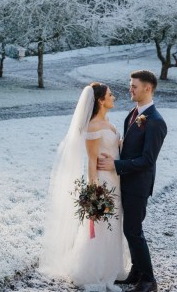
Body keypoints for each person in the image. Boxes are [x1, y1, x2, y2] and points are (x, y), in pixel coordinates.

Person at [39, 82, 130, 292]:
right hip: (104, 184)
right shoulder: (93, 127)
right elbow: (91, 163)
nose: (113, 97)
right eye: (110, 94)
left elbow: (115, 150)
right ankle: (93, 272)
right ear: (100, 100)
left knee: (114, 228)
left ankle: (111, 269)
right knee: (100, 228)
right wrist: (95, 194)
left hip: (116, 181)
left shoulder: (108, 124)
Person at [97, 70, 167, 292]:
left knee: (134, 231)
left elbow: (147, 160)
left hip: (138, 185)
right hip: (125, 183)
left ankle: (148, 280)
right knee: (130, 230)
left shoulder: (156, 121)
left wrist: (116, 166)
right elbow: (130, 147)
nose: (130, 89)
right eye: (130, 85)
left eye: (134, 86)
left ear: (148, 88)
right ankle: (136, 273)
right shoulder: (133, 113)